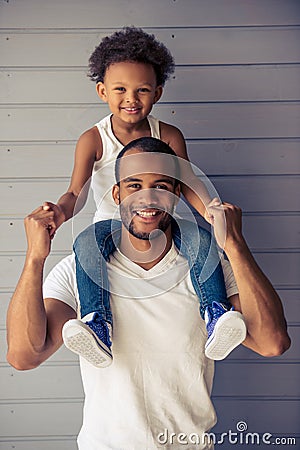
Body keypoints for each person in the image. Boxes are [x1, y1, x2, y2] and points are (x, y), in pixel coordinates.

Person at [7, 138, 290, 450]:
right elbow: (24, 356)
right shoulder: (80, 269)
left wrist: (234, 243)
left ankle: (215, 315)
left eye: (162, 185)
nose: (148, 197)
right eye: (134, 185)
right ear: (116, 194)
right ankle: (97, 323)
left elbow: (271, 343)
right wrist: (35, 257)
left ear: (177, 194)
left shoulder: (208, 267)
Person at [39, 26, 246, 365]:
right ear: (103, 91)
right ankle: (96, 323)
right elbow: (75, 191)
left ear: (158, 92)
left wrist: (211, 211)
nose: (131, 98)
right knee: (86, 244)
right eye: (120, 89)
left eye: (142, 90)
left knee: (202, 241)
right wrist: (59, 214)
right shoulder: (93, 139)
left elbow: (189, 179)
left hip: (165, 222)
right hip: (114, 224)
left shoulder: (168, 135)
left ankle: (215, 314)